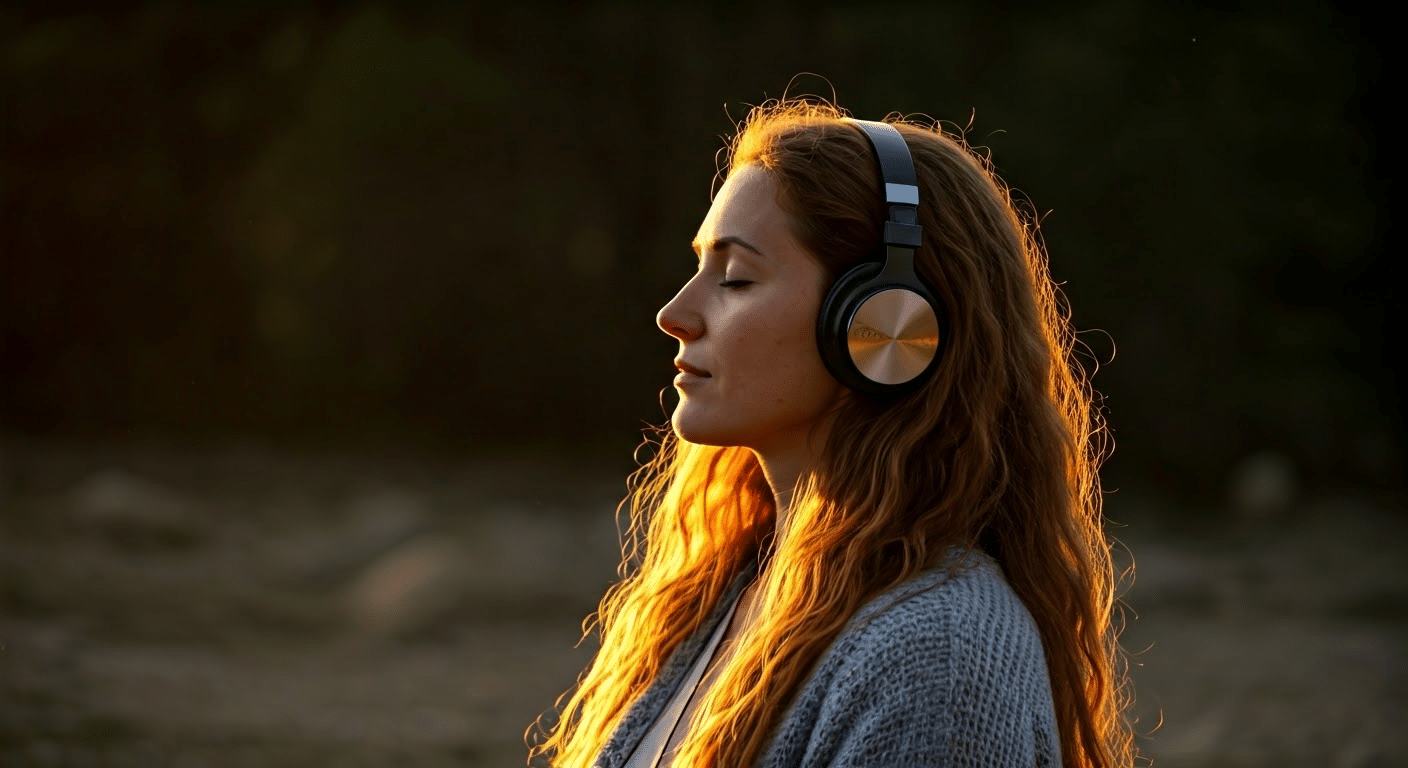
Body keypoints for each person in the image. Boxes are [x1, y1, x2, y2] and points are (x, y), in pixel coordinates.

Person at [529, 98, 1135, 767]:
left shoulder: (938, 656)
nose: (675, 314)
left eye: (735, 278)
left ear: (884, 324)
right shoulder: (738, 591)